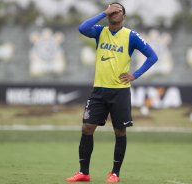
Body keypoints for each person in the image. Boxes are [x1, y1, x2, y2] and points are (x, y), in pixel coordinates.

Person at [66, 2, 158, 183]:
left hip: (120, 92)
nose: (114, 13)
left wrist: (135, 75)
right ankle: (84, 172)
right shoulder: (100, 32)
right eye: (112, 10)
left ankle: (115, 173)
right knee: (87, 127)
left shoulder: (131, 36)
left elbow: (152, 56)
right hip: (99, 90)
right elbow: (82, 28)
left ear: (124, 16)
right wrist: (103, 12)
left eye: (118, 11)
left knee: (120, 131)